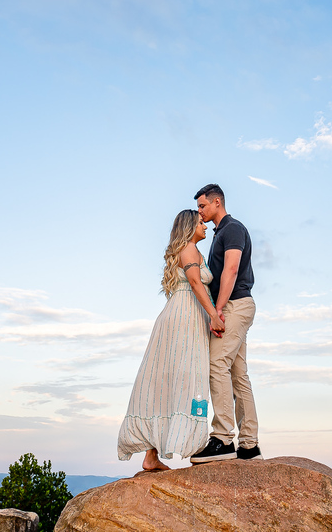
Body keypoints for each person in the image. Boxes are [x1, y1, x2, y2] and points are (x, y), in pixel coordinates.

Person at [117, 209, 224, 471]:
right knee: (189, 377)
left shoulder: (191, 250)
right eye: (200, 222)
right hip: (184, 318)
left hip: (183, 316)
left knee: (166, 381)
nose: (205, 226)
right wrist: (214, 316)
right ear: (189, 226)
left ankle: (152, 456)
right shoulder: (189, 249)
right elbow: (197, 284)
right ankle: (193, 447)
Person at [190, 183, 261, 463]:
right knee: (238, 375)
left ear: (217, 202)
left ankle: (222, 439)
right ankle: (249, 445)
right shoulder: (222, 232)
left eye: (202, 206)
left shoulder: (231, 228)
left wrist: (217, 311)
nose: (200, 212)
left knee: (217, 364)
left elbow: (231, 268)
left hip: (234, 305)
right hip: (238, 305)